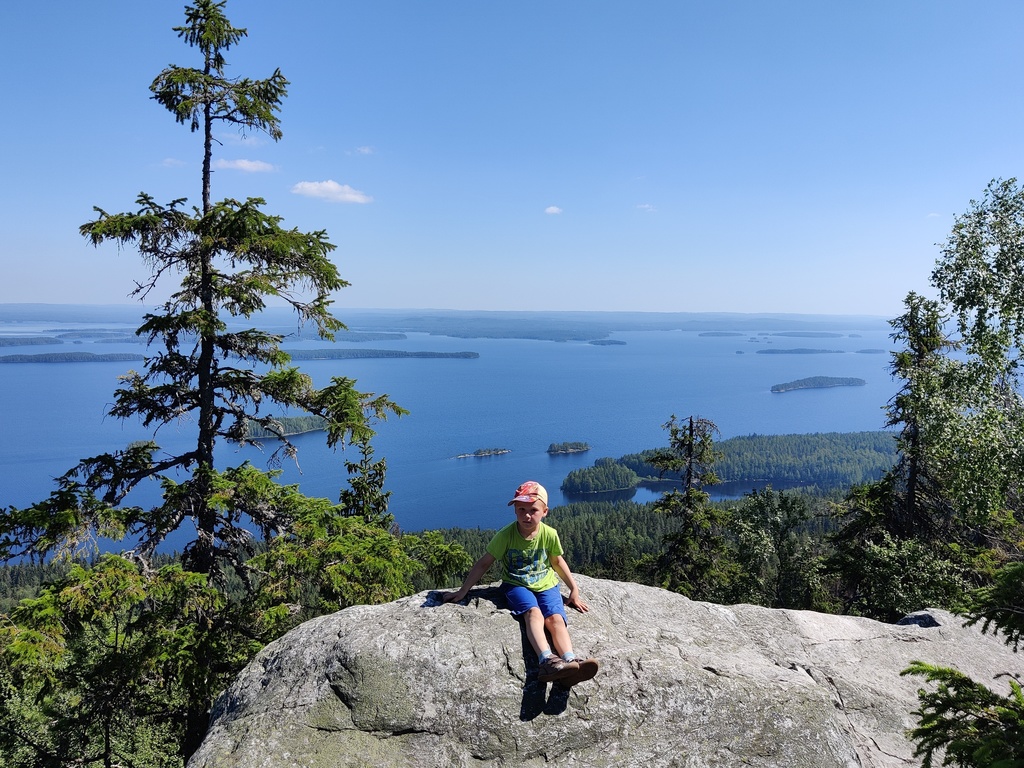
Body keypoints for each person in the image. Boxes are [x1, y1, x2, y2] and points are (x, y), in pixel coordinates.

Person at [442, 480, 596, 684]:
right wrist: (463, 592)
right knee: (534, 613)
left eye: (533, 510)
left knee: (556, 619)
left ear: (545, 511)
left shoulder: (549, 534)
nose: (527, 515)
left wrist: (574, 589)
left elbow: (557, 562)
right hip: (515, 584)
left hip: (547, 584)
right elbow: (483, 564)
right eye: (521, 509)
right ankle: (547, 661)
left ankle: (570, 661)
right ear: (514, 510)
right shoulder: (506, 535)